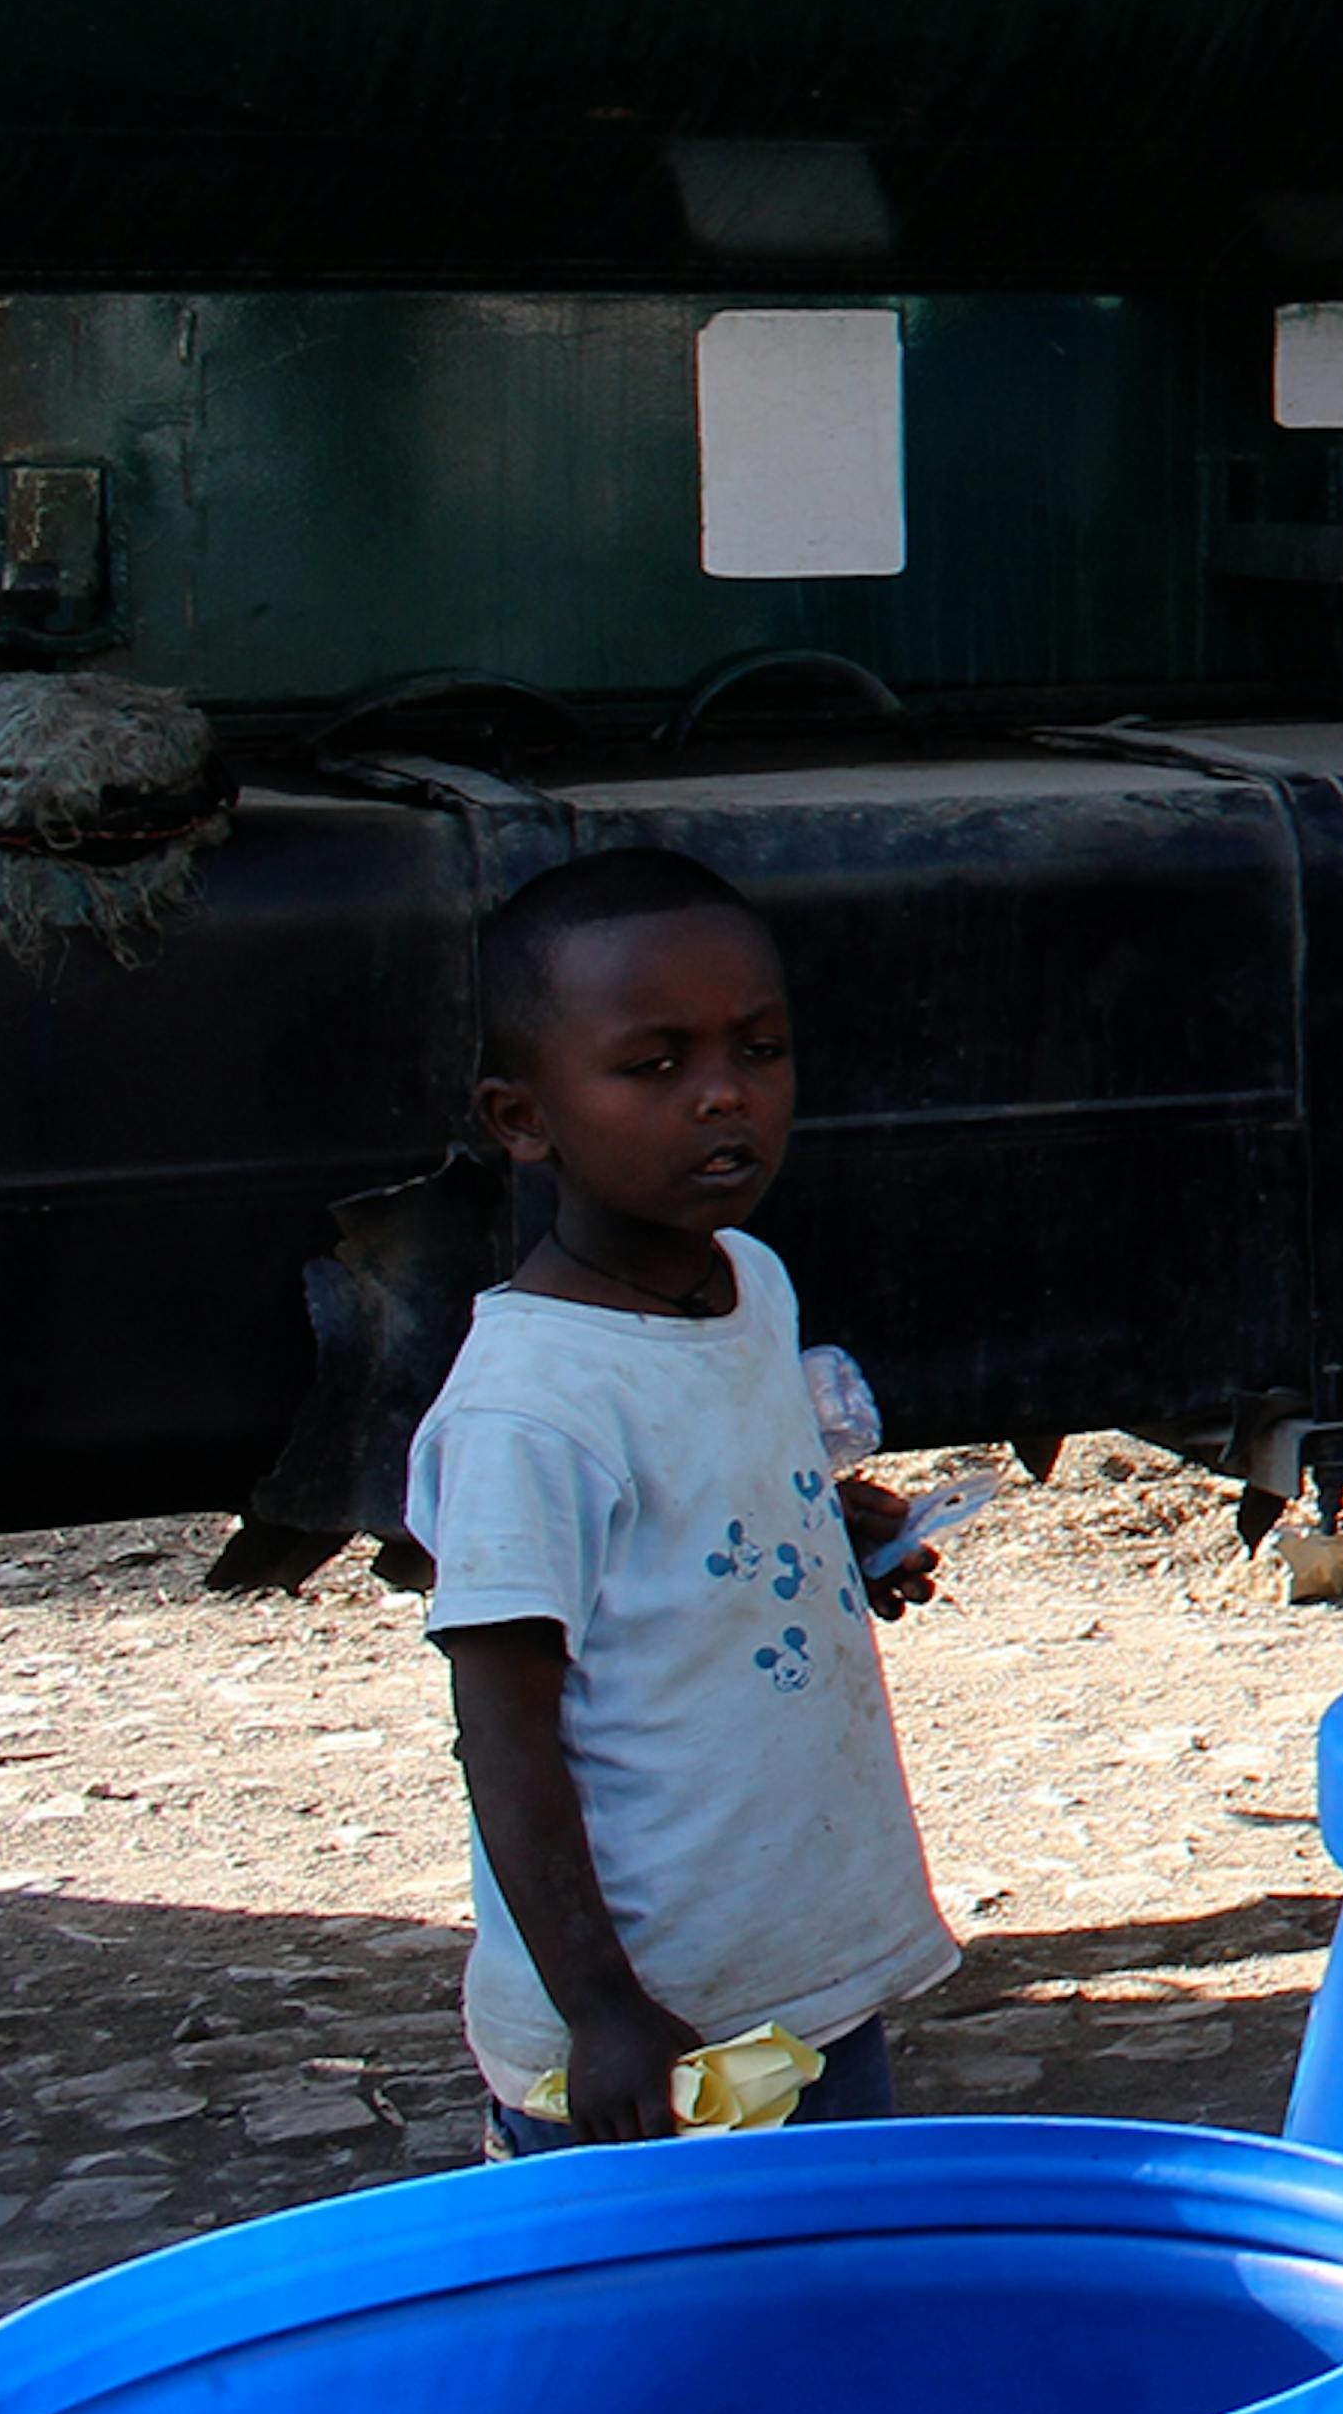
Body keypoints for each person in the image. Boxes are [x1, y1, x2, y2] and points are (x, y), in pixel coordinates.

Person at [409, 850, 959, 2151]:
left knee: (828, 2326)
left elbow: (696, 1527)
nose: (724, 1093)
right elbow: (505, 1732)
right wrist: (603, 2007)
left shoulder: (750, 1283)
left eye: (759, 1048)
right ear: (520, 1116)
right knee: (664, 2348)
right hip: (650, 2048)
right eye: (653, 1064)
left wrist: (828, 1534)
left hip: (805, 1978)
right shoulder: (529, 1407)